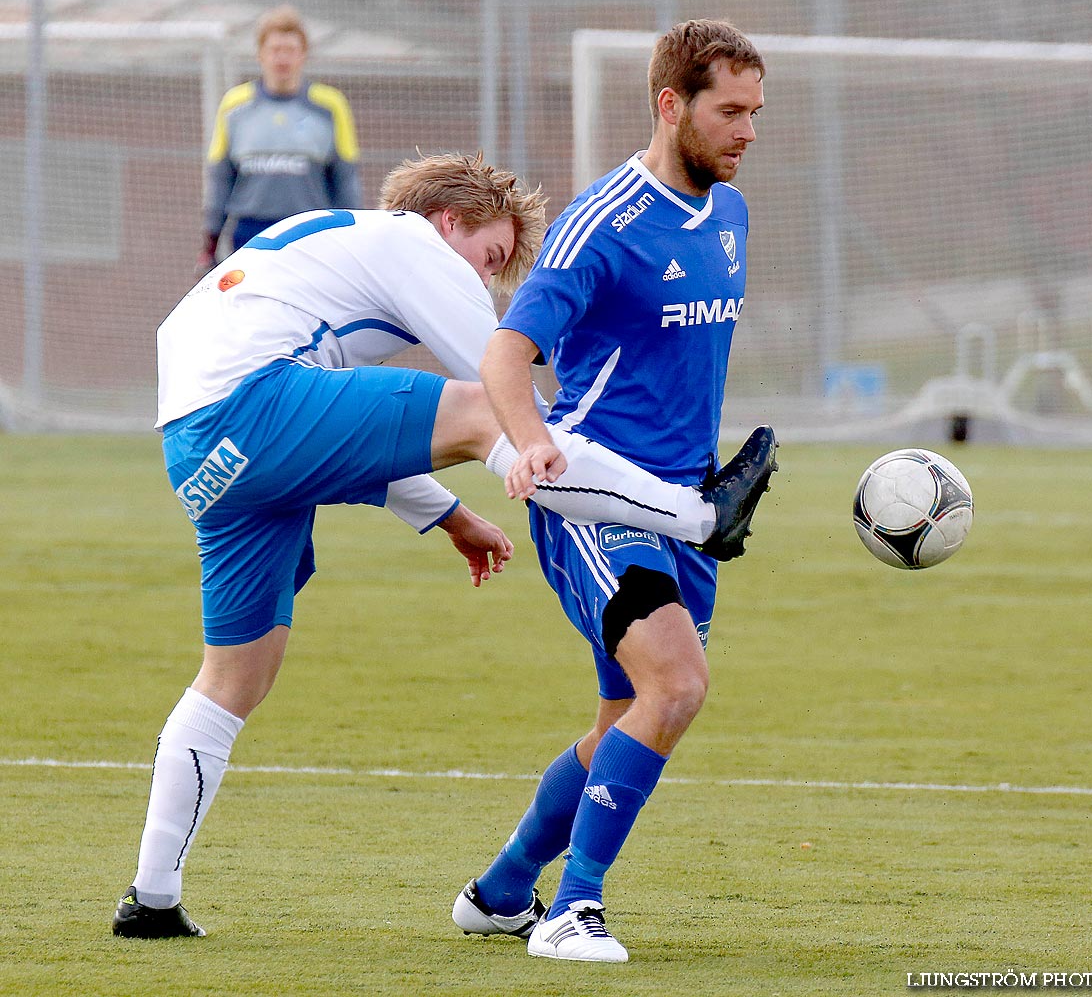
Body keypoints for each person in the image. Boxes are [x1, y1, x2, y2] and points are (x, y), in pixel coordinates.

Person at [112, 150, 773, 940]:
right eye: (492, 256)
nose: (489, 280)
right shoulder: (413, 244)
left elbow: (341, 437)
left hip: (200, 449)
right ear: (448, 220)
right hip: (249, 407)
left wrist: (449, 516)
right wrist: (654, 495)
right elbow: (502, 394)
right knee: (492, 414)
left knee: (233, 678)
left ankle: (151, 899)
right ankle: (703, 515)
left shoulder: (331, 253)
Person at [452, 20, 771, 963]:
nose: (748, 131)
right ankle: (570, 913)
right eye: (730, 112)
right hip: (594, 500)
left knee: (624, 720)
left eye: (756, 113)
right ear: (671, 105)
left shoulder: (732, 216)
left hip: (687, 512)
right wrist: (532, 443)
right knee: (677, 686)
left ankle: (504, 888)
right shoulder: (605, 222)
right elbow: (507, 353)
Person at [197, 4, 362, 274]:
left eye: (290, 50)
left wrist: (352, 235)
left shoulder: (330, 105)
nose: (282, 59)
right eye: (275, 50)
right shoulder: (235, 105)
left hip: (310, 231)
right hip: (250, 231)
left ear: (303, 55)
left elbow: (345, 178)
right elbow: (220, 176)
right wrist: (210, 241)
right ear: (261, 54)